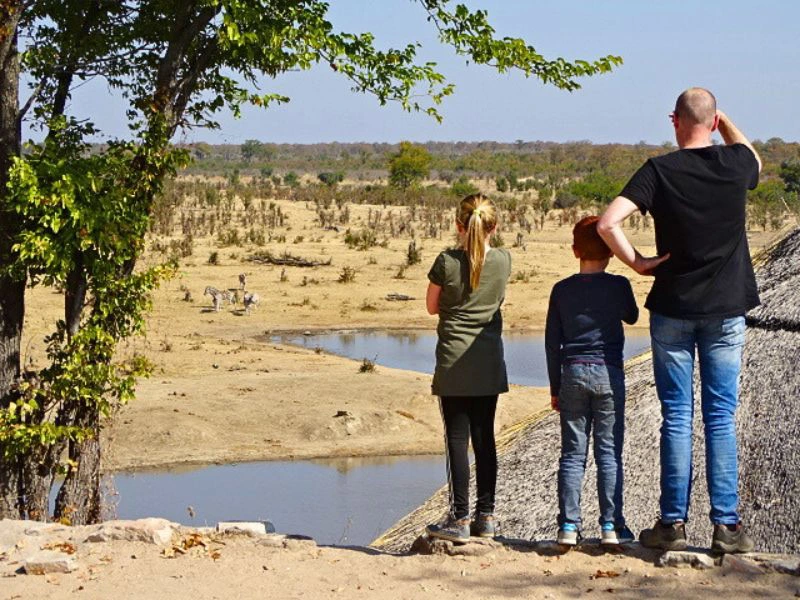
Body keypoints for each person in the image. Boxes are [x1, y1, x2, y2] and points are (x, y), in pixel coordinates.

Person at [597, 88, 762, 554]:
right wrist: (723, 119)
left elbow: (609, 223)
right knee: (721, 418)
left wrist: (638, 263)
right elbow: (754, 159)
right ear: (712, 123)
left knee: (677, 417)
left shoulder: (659, 171)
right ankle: (726, 528)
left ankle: (672, 523)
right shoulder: (735, 164)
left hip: (672, 307)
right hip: (726, 309)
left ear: (673, 120)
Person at [546, 216, 639, 547]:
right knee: (608, 453)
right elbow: (633, 316)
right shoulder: (618, 286)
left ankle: (568, 526)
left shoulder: (561, 290)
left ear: (574, 251)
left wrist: (555, 388)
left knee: (572, 454)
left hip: (571, 372)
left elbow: (551, 342)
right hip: (608, 372)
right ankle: (611, 526)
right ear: (612, 252)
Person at [425, 194, 511, 543]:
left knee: (457, 441)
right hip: (488, 361)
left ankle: (459, 518)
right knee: (485, 437)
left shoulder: (445, 262)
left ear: (458, 226)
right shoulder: (504, 260)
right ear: (496, 227)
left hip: (453, 363)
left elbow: (431, 307)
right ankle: (485, 516)